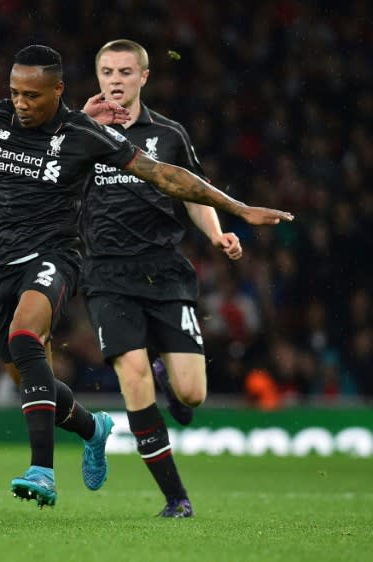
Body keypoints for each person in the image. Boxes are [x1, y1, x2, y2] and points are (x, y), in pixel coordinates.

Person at [0, 45, 293, 508]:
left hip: (56, 257)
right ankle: (92, 427)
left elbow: (163, 175)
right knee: (27, 374)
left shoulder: (84, 134)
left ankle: (42, 469)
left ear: (58, 90)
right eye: (15, 93)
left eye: (32, 96)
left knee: (26, 338)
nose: (21, 103)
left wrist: (237, 209)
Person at [79, 39, 245, 518]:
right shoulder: (80, 134)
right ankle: (176, 497)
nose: (115, 80)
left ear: (143, 77)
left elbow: (193, 193)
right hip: (107, 273)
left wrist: (216, 234)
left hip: (166, 272)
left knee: (192, 394)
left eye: (125, 72)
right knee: (131, 377)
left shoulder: (169, 134)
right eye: (107, 71)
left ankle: (164, 374)